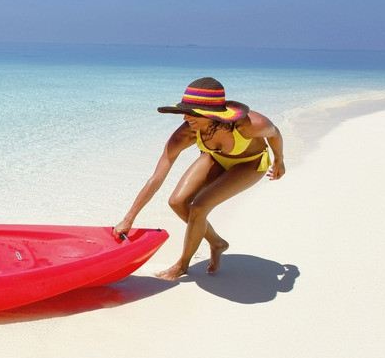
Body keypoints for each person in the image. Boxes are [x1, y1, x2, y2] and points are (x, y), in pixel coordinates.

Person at [113, 77, 285, 281]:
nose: (186, 117)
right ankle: (217, 243)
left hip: (250, 163)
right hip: (215, 158)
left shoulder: (250, 125)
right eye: (184, 111)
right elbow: (156, 178)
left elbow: (274, 134)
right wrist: (128, 218)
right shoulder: (186, 134)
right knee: (177, 202)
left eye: (192, 112)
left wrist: (279, 161)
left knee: (199, 207)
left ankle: (182, 265)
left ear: (212, 115)